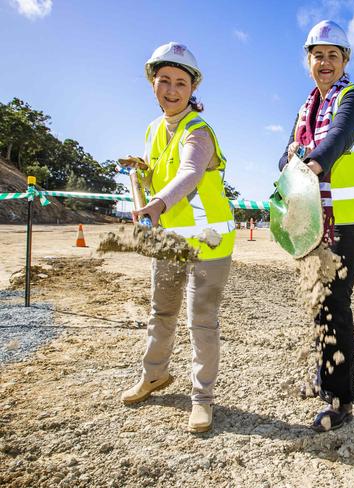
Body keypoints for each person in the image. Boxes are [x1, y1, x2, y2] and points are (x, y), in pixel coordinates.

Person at [119, 42, 236, 434]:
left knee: (201, 321)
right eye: (164, 80)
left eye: (180, 83)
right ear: (153, 83)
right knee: (161, 312)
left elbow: (188, 173)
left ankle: (202, 399)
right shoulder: (155, 128)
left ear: (192, 88)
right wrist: (143, 170)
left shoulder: (199, 131)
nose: (171, 89)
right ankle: (154, 375)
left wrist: (155, 203)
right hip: (170, 240)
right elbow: (163, 170)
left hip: (209, 241)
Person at [278, 20, 354, 432]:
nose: (325, 62)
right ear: (309, 61)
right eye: (318, 55)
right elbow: (281, 157)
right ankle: (327, 374)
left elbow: (336, 140)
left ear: (345, 61)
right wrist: (290, 165)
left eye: (333, 56)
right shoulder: (306, 108)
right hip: (313, 217)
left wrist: (305, 163)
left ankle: (340, 400)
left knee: (335, 300)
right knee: (319, 300)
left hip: (349, 218)